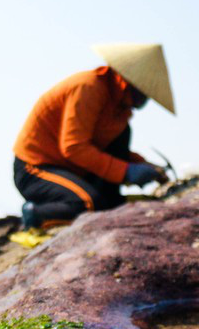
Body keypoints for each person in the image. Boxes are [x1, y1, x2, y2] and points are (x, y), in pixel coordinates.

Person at [12, 43, 176, 229]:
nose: (144, 101)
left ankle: (108, 198)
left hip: (74, 170)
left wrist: (143, 166)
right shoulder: (88, 87)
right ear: (131, 83)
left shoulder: (118, 107)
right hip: (36, 169)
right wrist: (126, 171)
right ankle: (37, 214)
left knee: (122, 135)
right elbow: (74, 148)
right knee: (89, 205)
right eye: (145, 94)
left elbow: (107, 149)